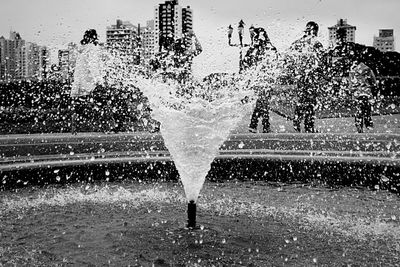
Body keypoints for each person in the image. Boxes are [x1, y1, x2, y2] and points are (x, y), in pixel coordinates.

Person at [289, 21, 324, 133]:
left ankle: (297, 120)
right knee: (310, 101)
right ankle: (309, 126)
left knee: (302, 99)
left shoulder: (297, 42)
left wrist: (294, 73)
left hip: (300, 77)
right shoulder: (316, 43)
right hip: (310, 76)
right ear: (316, 31)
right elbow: (321, 62)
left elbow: (290, 57)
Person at [241, 27, 277, 133]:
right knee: (263, 102)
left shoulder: (255, 48)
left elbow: (245, 61)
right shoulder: (266, 47)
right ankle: (262, 126)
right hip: (264, 79)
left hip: (259, 79)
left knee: (262, 102)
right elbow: (275, 56)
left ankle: (257, 125)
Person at [70, 29, 106, 134]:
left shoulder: (81, 50)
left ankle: (74, 121)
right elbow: (93, 66)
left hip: (79, 82)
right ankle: (105, 125)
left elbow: (78, 69)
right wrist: (99, 80)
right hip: (90, 82)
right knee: (102, 102)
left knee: (79, 105)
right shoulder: (92, 49)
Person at [348, 59, 376, 133]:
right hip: (366, 92)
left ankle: (359, 126)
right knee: (367, 109)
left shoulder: (352, 71)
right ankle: (368, 124)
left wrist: (351, 90)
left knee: (359, 110)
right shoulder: (368, 70)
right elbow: (373, 82)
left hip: (356, 93)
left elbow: (351, 85)